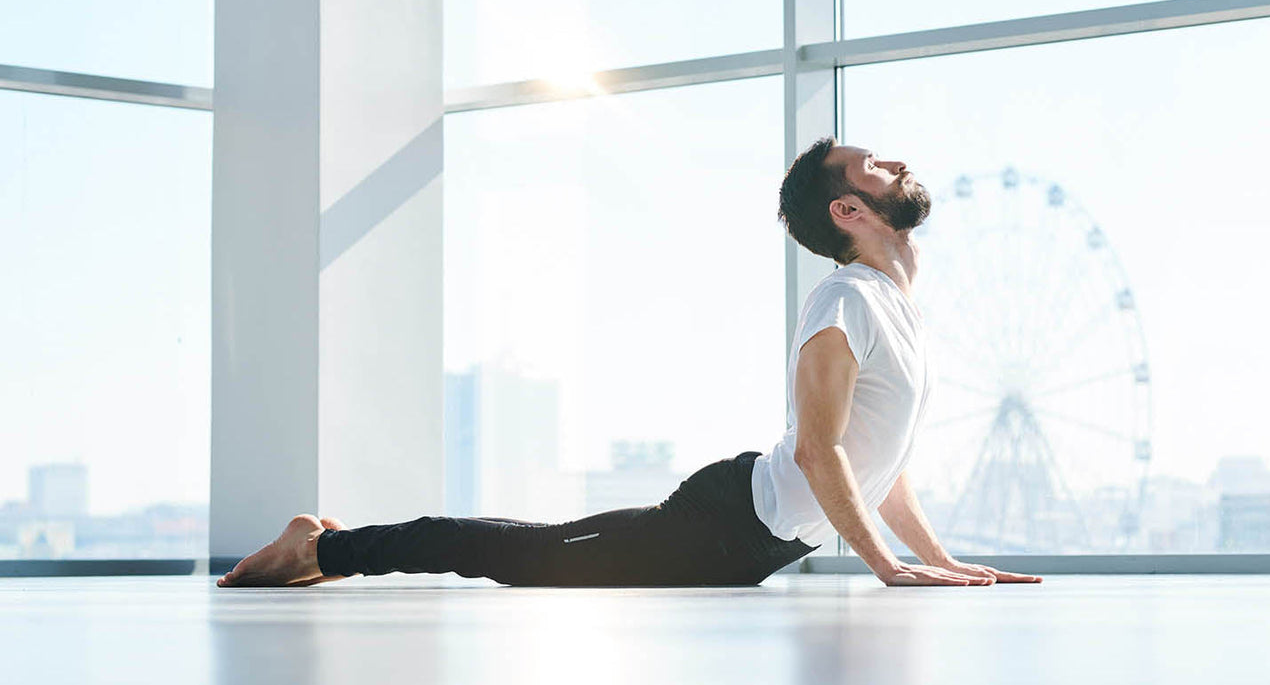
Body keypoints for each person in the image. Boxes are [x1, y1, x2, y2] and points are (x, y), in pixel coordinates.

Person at [216, 138, 1042, 588]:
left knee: (536, 551)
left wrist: (936, 558)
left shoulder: (896, 308)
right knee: (527, 558)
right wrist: (887, 567)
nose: (898, 163)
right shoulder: (846, 300)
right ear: (851, 208)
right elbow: (819, 451)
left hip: (753, 540)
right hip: (727, 523)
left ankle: (329, 546)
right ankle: (322, 549)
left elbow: (879, 467)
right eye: (877, 167)